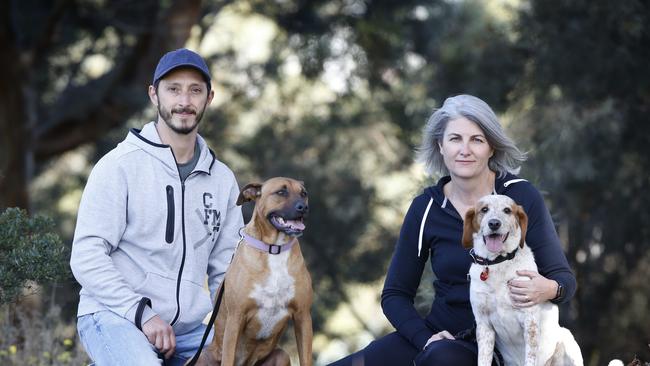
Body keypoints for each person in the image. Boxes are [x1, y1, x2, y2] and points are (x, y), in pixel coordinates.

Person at [328, 94, 577, 366]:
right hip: (441, 332)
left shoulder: (519, 197)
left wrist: (549, 288)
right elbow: (395, 295)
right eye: (455, 139)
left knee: (442, 359)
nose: (465, 149)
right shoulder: (426, 208)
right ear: (441, 146)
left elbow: (563, 279)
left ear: (491, 147)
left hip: (501, 348)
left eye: (477, 140)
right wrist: (424, 337)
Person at [70, 48, 244, 365]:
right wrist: (143, 315)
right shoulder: (119, 166)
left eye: (195, 91)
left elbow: (226, 272)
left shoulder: (222, 180)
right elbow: (86, 255)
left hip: (188, 332)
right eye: (173, 89)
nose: (184, 101)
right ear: (154, 94)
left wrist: (235, 332)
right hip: (114, 314)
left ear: (209, 97)